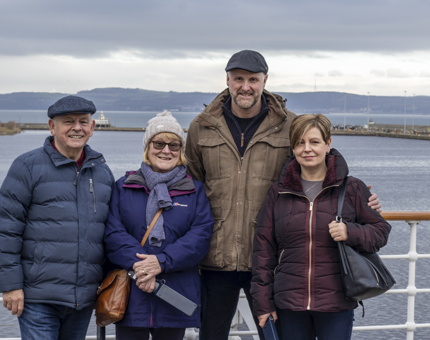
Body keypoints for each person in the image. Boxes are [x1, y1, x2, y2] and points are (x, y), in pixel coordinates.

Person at [185, 50, 382, 340]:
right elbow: (191, 184)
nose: (245, 86)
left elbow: (321, 165)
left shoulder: (290, 126)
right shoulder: (201, 127)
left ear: (265, 80)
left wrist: (359, 196)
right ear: (227, 80)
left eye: (253, 79)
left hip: (271, 263)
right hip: (216, 258)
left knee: (274, 336)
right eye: (238, 79)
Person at [250, 114, 392, 340]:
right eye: (300, 142)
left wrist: (350, 232)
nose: (307, 149)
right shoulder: (278, 192)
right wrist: (263, 303)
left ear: (328, 144)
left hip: (336, 302)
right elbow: (263, 252)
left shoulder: (352, 188)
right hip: (289, 303)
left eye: (314, 142)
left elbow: (380, 231)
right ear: (293, 148)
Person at [0, 95, 115, 340]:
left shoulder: (102, 172)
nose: (77, 128)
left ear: (92, 128)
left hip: (83, 299)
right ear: (52, 127)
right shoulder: (27, 167)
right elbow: (6, 229)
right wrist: (10, 285)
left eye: (83, 122)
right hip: (37, 297)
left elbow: (109, 232)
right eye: (68, 122)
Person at [103, 111, 214, 340]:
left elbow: (200, 237)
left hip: (175, 294)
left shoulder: (195, 191)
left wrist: (161, 262)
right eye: (159, 143)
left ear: (181, 151)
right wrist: (144, 267)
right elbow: (113, 233)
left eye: (174, 145)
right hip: (131, 295)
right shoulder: (123, 187)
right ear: (147, 146)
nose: (166, 150)